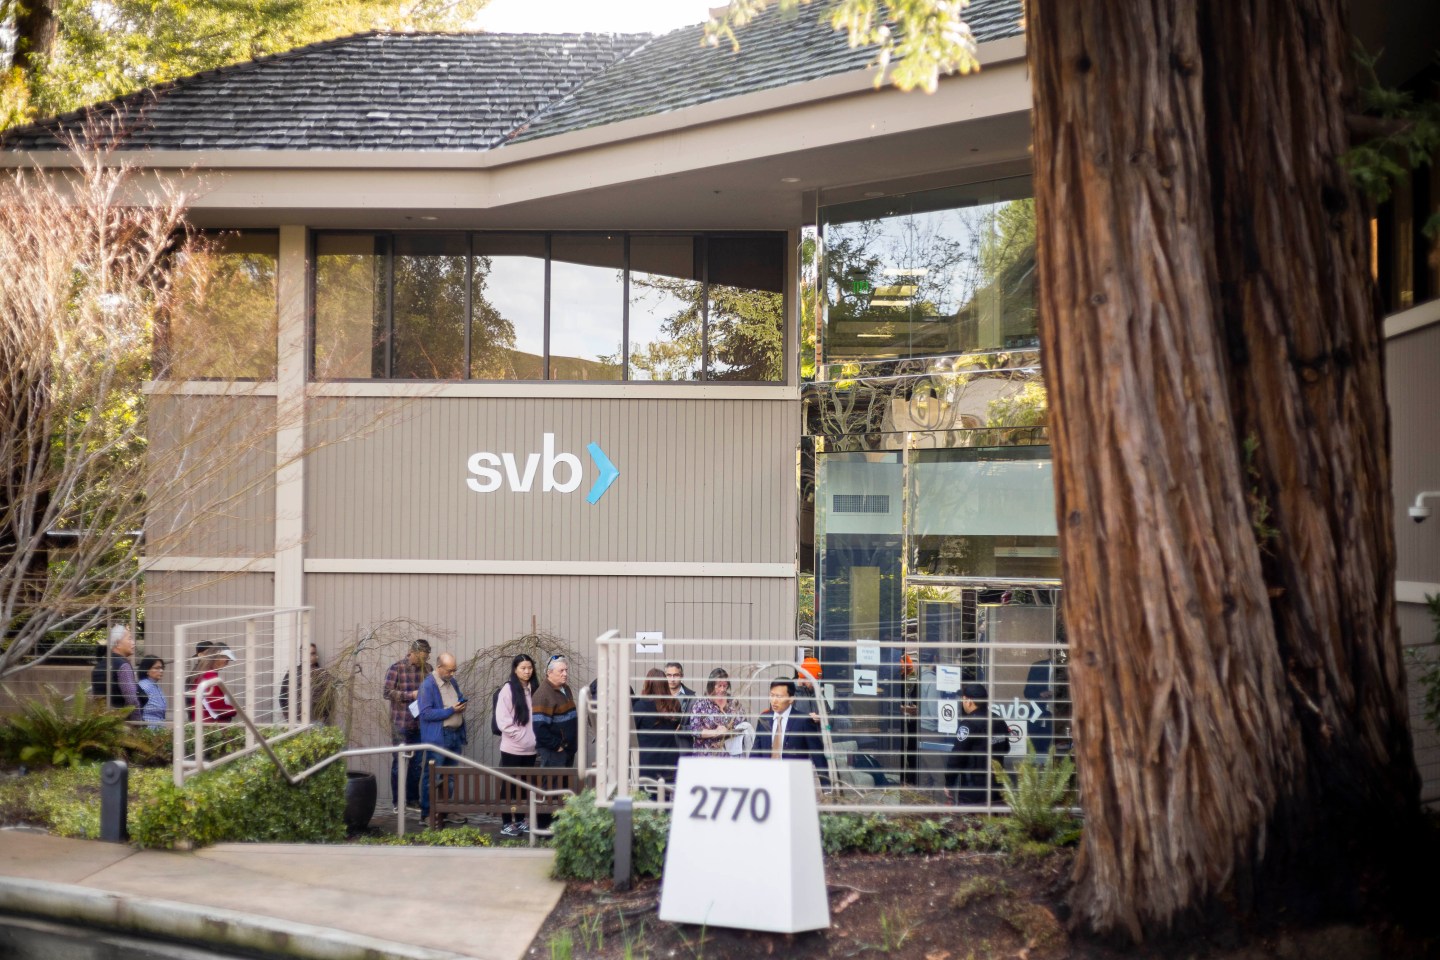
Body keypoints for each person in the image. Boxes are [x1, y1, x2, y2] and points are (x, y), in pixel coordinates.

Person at [417, 652, 468, 826]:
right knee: (432, 776)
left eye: (454, 670)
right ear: (439, 668)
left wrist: (461, 704)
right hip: (439, 737)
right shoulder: (427, 686)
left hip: (454, 734)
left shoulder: (451, 681)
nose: (453, 674)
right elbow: (425, 713)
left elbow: (457, 699)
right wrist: (451, 711)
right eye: (449, 670)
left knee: (450, 776)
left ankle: (446, 810)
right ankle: (427, 813)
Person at [383, 638, 431, 812]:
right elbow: (386, 693)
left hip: (420, 724)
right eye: (422, 657)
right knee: (398, 764)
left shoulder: (428, 670)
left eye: (426, 658)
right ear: (413, 653)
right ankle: (397, 802)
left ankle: (412, 800)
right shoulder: (397, 668)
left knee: (417, 764)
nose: (424, 661)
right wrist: (411, 695)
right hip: (400, 724)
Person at [495, 653, 539, 837]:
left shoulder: (534, 688)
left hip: (532, 749)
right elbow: (503, 722)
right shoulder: (508, 690)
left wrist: (533, 739)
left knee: (524, 785)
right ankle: (506, 822)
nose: (527, 671)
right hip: (512, 748)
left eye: (529, 668)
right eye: (523, 668)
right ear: (515, 669)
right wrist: (522, 736)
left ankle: (520, 820)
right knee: (509, 785)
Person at [946, 683, 1005, 806]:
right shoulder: (998, 720)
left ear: (969, 701)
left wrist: (949, 782)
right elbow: (1006, 747)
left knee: (971, 823)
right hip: (997, 786)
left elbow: (957, 757)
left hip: (973, 789)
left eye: (963, 699)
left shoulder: (968, 724)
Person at [753, 678, 822, 765]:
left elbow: (818, 757)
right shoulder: (764, 719)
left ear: (791, 699)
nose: (774, 700)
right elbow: (756, 752)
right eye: (772, 695)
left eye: (779, 696)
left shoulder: (803, 721)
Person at [633, 668, 683, 784]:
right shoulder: (675, 704)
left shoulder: (640, 706)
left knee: (646, 796)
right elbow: (676, 725)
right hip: (670, 760)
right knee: (666, 796)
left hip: (646, 761)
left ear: (648, 684)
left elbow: (633, 731)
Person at [688, 667, 748, 756]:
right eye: (719, 686)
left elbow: (743, 723)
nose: (722, 689)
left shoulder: (734, 703)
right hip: (705, 756)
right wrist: (716, 732)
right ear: (711, 685)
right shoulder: (701, 704)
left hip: (730, 756)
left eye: (725, 686)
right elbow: (695, 730)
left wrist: (729, 730)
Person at [532, 656, 578, 768]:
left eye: (566, 670)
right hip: (553, 752)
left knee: (565, 784)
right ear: (549, 672)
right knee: (552, 784)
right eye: (561, 671)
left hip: (568, 749)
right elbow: (539, 728)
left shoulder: (565, 688)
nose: (565, 674)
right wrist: (557, 746)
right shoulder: (543, 695)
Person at [279, 643, 336, 724]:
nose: (310, 657)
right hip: (297, 722)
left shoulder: (323, 675)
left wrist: (323, 718)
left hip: (317, 722)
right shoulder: (292, 673)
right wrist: (289, 718)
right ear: (301, 656)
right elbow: (283, 697)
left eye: (313, 653)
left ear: (316, 656)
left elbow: (329, 699)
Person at [91, 624, 141, 712]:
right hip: (122, 721)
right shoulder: (123, 666)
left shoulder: (99, 666)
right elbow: (131, 699)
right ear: (118, 644)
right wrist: (137, 721)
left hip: (102, 720)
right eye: (129, 638)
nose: (133, 642)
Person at [192, 641, 238, 723]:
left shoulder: (205, 673)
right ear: (216, 656)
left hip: (206, 723)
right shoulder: (210, 676)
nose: (227, 662)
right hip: (211, 724)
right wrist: (235, 710)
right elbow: (217, 707)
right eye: (225, 658)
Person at [136, 656, 168, 726]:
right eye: (157, 668)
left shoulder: (154, 685)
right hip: (148, 729)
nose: (161, 671)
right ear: (147, 670)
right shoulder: (144, 686)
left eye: (162, 668)